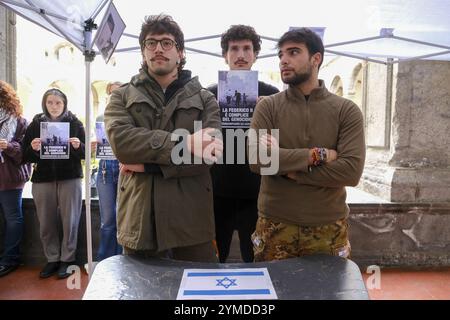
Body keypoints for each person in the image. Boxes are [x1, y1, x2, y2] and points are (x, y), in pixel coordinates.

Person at [104, 14, 223, 263]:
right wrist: (187, 143)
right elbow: (123, 145)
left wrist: (147, 165)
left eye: (167, 43)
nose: (158, 48)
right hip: (141, 221)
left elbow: (209, 154)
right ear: (143, 52)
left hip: (192, 221)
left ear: (180, 52)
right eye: (151, 43)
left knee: (198, 295)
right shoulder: (121, 96)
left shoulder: (205, 99)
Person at [249, 28, 366, 262]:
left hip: (328, 227)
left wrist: (291, 171)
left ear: (316, 59)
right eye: (281, 54)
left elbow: (351, 172)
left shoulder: (346, 110)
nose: (284, 60)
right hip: (275, 225)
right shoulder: (268, 107)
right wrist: (319, 155)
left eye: (293, 52)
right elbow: (258, 160)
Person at [207, 25, 279, 263]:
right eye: (234, 49)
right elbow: (199, 142)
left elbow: (283, 142)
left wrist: (268, 112)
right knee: (216, 259)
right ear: (224, 55)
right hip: (218, 191)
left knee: (256, 259)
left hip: (256, 192)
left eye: (247, 48)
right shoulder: (209, 95)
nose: (240, 55)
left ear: (255, 54)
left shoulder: (272, 94)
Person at [22, 88, 85, 278]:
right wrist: (33, 149)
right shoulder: (36, 124)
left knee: (70, 221)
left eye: (58, 103)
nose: (54, 106)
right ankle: (52, 259)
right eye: (50, 102)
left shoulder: (75, 123)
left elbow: (85, 154)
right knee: (46, 223)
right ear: (45, 104)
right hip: (43, 179)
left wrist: (78, 146)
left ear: (64, 104)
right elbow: (24, 155)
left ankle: (68, 259)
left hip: (70, 178)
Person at [0, 81, 31, 277]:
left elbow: (25, 153)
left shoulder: (19, 122)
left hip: (10, 177)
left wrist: (7, 146)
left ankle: (10, 259)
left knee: (13, 219)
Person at [94, 81, 122, 261]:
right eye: (111, 93)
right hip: (105, 167)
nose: (114, 95)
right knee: (107, 220)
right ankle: (104, 260)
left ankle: (121, 259)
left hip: (124, 167)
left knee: (123, 218)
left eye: (118, 92)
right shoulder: (100, 118)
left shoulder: (130, 116)